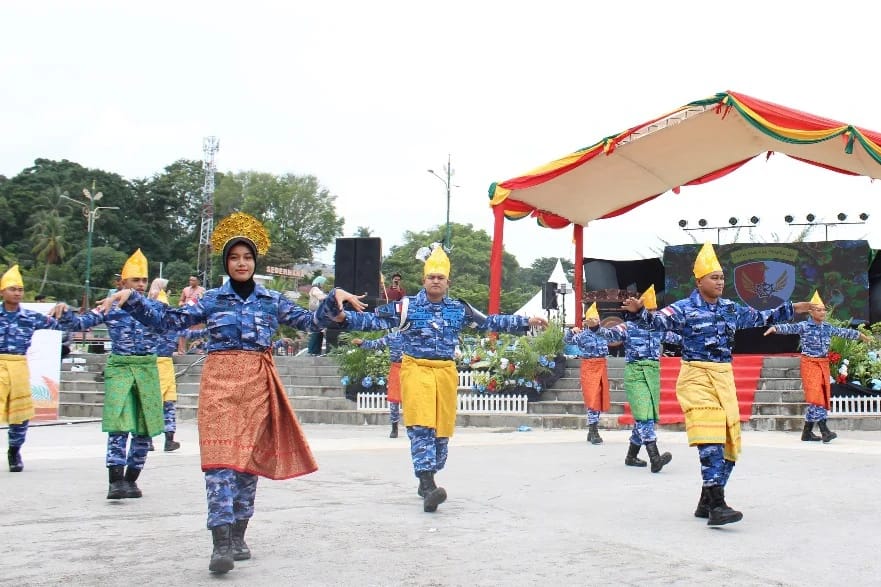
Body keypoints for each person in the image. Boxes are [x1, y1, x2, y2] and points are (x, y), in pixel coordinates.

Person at [100, 212, 365, 575]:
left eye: (247, 257)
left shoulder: (272, 299)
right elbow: (171, 320)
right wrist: (132, 298)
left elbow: (310, 323)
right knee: (219, 462)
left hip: (257, 382)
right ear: (226, 263)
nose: (241, 263)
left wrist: (335, 299)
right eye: (234, 257)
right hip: (219, 382)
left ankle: (240, 532)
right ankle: (220, 541)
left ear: (255, 262)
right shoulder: (210, 300)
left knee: (246, 464)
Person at [322, 245, 548, 513]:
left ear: (448, 282)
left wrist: (526, 322)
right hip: (416, 370)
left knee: (441, 436)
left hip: (445, 374)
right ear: (424, 280)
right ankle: (428, 483)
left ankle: (427, 475)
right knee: (422, 427)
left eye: (441, 277)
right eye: (432, 277)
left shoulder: (459, 309)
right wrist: (342, 317)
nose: (436, 281)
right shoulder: (405, 307)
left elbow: (490, 322)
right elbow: (372, 321)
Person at [621, 242, 812, 527]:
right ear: (699, 281)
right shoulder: (683, 309)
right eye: (714, 277)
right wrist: (639, 313)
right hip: (696, 377)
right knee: (710, 437)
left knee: (730, 444)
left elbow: (759, 317)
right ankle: (718, 503)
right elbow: (657, 321)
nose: (720, 282)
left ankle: (706, 501)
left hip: (723, 377)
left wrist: (794, 308)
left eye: (722, 277)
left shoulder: (729, 308)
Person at [51, 249, 165, 500]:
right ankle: (115, 481)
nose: (141, 285)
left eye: (144, 281)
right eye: (136, 280)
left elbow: (173, 323)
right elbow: (80, 323)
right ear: (122, 283)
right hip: (121, 368)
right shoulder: (110, 306)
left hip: (147, 369)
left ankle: (131, 478)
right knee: (119, 425)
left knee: (145, 428)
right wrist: (65, 311)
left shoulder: (155, 307)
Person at [587, 285, 680, 472]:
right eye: (649, 310)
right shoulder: (627, 327)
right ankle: (655, 457)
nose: (651, 315)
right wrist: (596, 327)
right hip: (636, 373)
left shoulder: (658, 328)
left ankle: (631, 456)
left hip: (652, 373)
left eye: (653, 311)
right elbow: (608, 334)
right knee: (644, 415)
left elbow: (679, 338)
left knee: (645, 415)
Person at [764, 290, 872, 443]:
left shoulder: (827, 327)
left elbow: (843, 332)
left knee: (819, 397)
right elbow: (789, 328)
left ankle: (807, 433)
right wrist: (775, 328)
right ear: (811, 311)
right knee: (817, 398)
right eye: (819, 310)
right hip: (810, 363)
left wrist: (860, 335)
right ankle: (824, 430)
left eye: (823, 310)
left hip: (823, 364)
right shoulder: (804, 326)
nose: (822, 312)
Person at [0, 265, 69, 472]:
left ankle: (14, 450)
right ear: (2, 291)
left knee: (20, 414)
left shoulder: (29, 316)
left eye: (20, 289)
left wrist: (63, 309)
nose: (17, 293)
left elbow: (61, 325)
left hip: (19, 366)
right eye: (13, 289)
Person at [564, 302, 610, 445]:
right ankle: (593, 429)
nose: (594, 321)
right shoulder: (582, 335)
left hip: (601, 366)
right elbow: (567, 341)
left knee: (600, 398)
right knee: (592, 399)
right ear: (587, 322)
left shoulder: (605, 333)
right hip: (589, 367)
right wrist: (571, 331)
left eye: (596, 319)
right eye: (591, 319)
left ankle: (592, 429)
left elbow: (617, 337)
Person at [149, 278, 181, 452]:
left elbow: (186, 332)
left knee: (168, 402)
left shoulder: (169, 322)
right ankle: (147, 439)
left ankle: (169, 439)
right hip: (156, 362)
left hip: (166, 363)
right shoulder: (150, 324)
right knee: (156, 402)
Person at [352, 330, 404, 438]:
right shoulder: (393, 336)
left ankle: (414, 427)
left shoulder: (417, 336)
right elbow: (376, 344)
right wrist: (362, 343)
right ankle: (394, 427)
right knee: (394, 400)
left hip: (414, 370)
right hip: (397, 369)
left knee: (415, 399)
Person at [307, 276, 328, 356]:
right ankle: (313, 352)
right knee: (316, 333)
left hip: (317, 315)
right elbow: (321, 297)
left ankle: (315, 352)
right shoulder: (315, 289)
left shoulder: (316, 290)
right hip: (315, 314)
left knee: (319, 333)